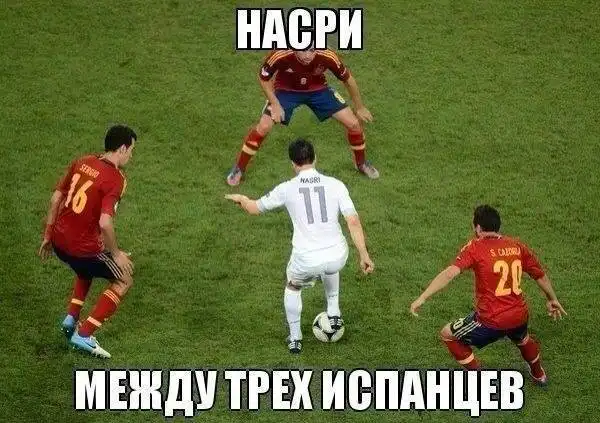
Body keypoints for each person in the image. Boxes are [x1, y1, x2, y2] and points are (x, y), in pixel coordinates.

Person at [225, 138, 374, 353]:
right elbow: (353, 221)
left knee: (293, 286)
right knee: (330, 264)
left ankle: (295, 338)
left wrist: (241, 198)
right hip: (338, 256)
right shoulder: (336, 184)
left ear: (293, 164)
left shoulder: (286, 189)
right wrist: (364, 254)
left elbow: (254, 208)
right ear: (315, 158)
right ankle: (334, 312)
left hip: (306, 259)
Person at [410, 205, 566, 385]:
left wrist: (422, 297)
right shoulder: (516, 246)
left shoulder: (475, 247)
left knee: (447, 334)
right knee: (523, 339)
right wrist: (552, 299)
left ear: (477, 227)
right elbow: (540, 275)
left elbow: (450, 273)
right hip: (519, 314)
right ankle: (539, 375)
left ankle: (480, 379)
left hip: (491, 320)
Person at [39, 125, 137, 359]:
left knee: (87, 267)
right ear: (122, 149)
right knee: (124, 279)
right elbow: (105, 223)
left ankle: (71, 318)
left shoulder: (82, 161)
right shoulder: (116, 179)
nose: (131, 156)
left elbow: (56, 198)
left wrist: (48, 235)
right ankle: (84, 334)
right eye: (132, 150)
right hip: (82, 250)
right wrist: (116, 254)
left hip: (59, 243)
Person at [226, 47, 379, 186]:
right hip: (286, 90)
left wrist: (359, 107)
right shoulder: (280, 53)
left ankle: (361, 163)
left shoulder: (328, 55)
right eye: (303, 50)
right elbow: (263, 78)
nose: (307, 56)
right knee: (264, 126)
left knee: (354, 124)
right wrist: (275, 103)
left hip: (318, 90)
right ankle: (239, 168)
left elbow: (348, 80)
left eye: (312, 50)